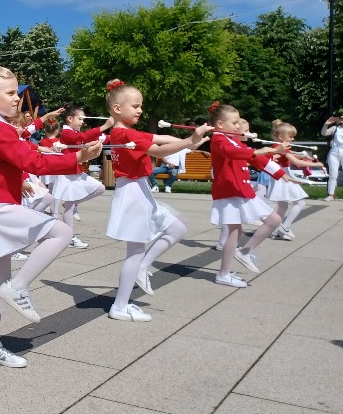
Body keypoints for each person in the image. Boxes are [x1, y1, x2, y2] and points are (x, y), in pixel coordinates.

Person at [0, 60, 101, 365]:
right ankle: (20, 288)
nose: (17, 99)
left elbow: (26, 153)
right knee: (61, 232)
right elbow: (32, 162)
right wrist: (78, 158)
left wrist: (69, 154)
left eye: (16, 93)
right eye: (11, 93)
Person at [104, 80, 210, 321]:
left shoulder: (127, 131)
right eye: (136, 106)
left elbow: (161, 137)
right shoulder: (124, 133)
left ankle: (142, 268)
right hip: (132, 192)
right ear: (118, 109)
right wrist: (190, 141)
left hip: (138, 189)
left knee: (177, 228)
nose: (140, 110)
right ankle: (120, 306)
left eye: (140, 106)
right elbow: (158, 151)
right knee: (135, 251)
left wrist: (192, 140)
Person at [208, 102, 290, 287]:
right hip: (230, 191)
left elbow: (254, 159)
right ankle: (228, 268)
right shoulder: (218, 139)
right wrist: (265, 150)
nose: (238, 126)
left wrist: (280, 173)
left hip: (239, 191)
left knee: (258, 225)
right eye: (234, 122)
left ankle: (239, 258)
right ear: (220, 124)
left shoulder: (232, 139)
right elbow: (234, 153)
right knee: (240, 230)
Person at [53, 105, 112, 248]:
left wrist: (118, 133)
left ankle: (73, 205)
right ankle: (69, 238)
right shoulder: (67, 133)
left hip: (75, 172)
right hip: (67, 173)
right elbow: (83, 137)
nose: (83, 122)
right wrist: (105, 126)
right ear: (69, 119)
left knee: (100, 188)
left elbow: (89, 138)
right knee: (69, 206)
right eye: (80, 119)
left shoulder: (74, 132)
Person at [267, 119, 323, 241]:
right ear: (281, 137)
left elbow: (292, 156)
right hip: (283, 176)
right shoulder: (280, 147)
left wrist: (303, 156)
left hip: (280, 175)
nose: (293, 139)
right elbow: (296, 162)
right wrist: (317, 164)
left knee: (282, 207)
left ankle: (276, 230)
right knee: (300, 203)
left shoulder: (277, 146)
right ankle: (285, 227)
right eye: (290, 136)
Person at [321, 113, 343, 201]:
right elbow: (324, 133)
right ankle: (331, 194)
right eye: (341, 118)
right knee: (333, 174)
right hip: (334, 152)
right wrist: (325, 125)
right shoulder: (335, 128)